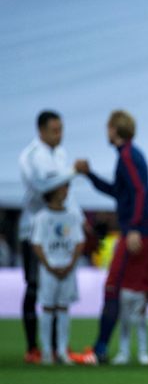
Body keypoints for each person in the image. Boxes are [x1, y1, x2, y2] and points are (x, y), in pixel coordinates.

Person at [75, 110, 148, 364]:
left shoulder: (127, 156)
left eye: (109, 127)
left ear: (115, 128)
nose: (107, 131)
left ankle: (100, 349)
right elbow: (120, 191)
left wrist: (133, 227)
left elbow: (138, 190)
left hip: (140, 232)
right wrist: (90, 175)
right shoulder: (130, 155)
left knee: (113, 286)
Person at [18, 110, 82, 364]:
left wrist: (79, 219)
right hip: (35, 228)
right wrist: (72, 172)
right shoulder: (30, 157)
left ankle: (57, 347)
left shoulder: (61, 154)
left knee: (60, 296)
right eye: (55, 130)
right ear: (41, 131)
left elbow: (66, 191)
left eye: (61, 129)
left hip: (63, 231)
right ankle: (33, 346)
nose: (60, 135)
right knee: (35, 286)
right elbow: (42, 187)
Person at [30, 177, 84, 365]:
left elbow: (79, 242)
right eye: (63, 188)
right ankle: (46, 351)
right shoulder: (42, 217)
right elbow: (37, 244)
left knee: (63, 308)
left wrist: (70, 265)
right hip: (49, 269)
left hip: (67, 268)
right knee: (47, 308)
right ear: (52, 191)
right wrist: (49, 265)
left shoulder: (72, 216)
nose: (66, 191)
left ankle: (62, 351)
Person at [112, 287, 148, 365]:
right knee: (125, 324)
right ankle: (124, 353)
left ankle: (143, 352)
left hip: (141, 291)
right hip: (125, 290)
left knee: (141, 323)